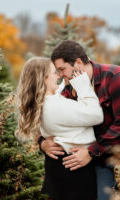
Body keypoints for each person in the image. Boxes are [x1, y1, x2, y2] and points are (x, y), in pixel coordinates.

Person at [39, 40, 120, 200]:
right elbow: (51, 117)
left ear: (78, 63)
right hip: (103, 157)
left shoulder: (115, 77)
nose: (60, 75)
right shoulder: (68, 89)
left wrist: (91, 152)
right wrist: (42, 141)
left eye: (62, 69)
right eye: (57, 71)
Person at [16, 57, 103, 200]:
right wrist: (84, 87)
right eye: (54, 72)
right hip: (74, 172)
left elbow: (58, 95)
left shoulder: (44, 102)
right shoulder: (54, 106)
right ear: (44, 79)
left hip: (59, 166)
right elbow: (96, 115)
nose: (58, 75)